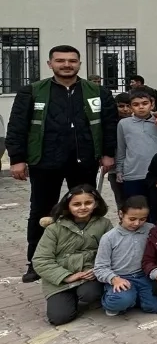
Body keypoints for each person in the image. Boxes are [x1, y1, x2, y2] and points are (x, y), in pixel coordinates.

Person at [6, 45, 118, 283]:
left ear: (79, 64)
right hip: (45, 162)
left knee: (87, 210)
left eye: (71, 61)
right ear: (50, 64)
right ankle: (37, 262)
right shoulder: (32, 91)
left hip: (84, 161)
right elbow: (17, 127)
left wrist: (108, 154)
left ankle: (89, 258)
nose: (66, 65)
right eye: (60, 61)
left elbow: (109, 125)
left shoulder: (97, 91)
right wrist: (17, 159)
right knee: (42, 210)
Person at [32, 184, 112, 325]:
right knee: (59, 318)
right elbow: (41, 260)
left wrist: (97, 270)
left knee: (90, 293)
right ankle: (69, 297)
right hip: (61, 278)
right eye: (76, 204)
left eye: (88, 203)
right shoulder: (54, 228)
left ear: (96, 204)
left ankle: (87, 295)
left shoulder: (104, 224)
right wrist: (67, 277)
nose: (82, 207)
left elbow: (111, 251)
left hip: (89, 274)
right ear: (67, 205)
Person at [94, 195, 157, 317]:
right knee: (119, 302)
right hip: (121, 278)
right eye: (132, 219)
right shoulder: (109, 238)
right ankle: (115, 299)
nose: (137, 223)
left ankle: (135, 298)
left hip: (145, 275)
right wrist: (114, 279)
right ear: (121, 214)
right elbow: (100, 268)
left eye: (142, 219)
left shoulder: (150, 229)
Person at [115, 88, 157, 202]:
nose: (141, 107)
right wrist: (119, 170)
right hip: (133, 174)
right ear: (131, 107)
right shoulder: (123, 124)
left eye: (145, 103)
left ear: (152, 105)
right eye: (136, 104)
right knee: (135, 208)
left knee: (156, 209)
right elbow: (121, 148)